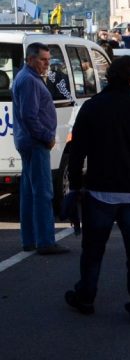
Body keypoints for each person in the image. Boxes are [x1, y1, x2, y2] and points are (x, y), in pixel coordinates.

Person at [63, 56, 130, 324]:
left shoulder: (92, 108)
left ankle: (86, 296)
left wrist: (75, 186)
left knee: (93, 250)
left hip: (100, 191)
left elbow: (77, 152)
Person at [11, 43, 67, 255]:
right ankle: (45, 241)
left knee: (29, 192)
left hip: (30, 142)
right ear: (31, 59)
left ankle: (31, 239)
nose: (47, 64)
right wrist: (46, 136)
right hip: (35, 143)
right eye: (43, 60)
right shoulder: (29, 81)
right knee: (43, 192)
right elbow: (29, 116)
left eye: (49, 60)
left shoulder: (28, 78)